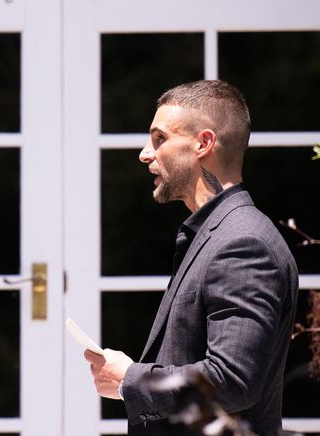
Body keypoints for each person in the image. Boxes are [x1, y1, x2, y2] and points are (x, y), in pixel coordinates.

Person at [85, 80, 298, 435]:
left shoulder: (242, 243)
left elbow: (232, 380)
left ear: (203, 143)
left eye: (160, 139)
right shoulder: (216, 233)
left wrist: (131, 379)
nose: (144, 154)